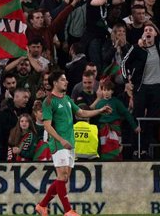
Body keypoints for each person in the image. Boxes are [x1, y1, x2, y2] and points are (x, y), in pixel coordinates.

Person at [35, 71, 111, 216]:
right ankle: (68, 211)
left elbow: (81, 113)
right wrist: (61, 140)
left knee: (63, 179)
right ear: (55, 83)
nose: (67, 82)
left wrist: (100, 110)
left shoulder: (68, 99)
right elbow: (47, 125)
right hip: (59, 144)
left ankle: (42, 205)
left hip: (70, 143)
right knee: (62, 176)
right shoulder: (49, 101)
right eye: (63, 80)